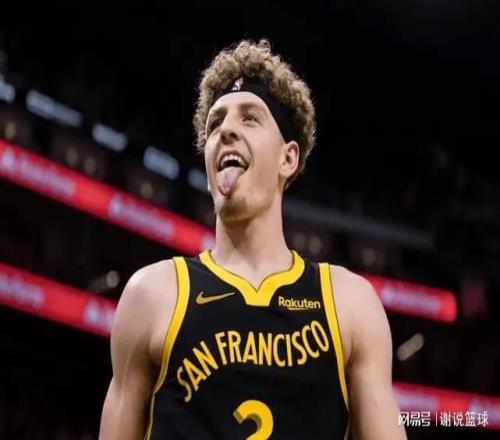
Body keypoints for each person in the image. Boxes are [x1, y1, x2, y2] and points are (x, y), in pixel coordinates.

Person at [99, 39, 407, 440]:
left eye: (249, 118)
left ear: (288, 158)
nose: (226, 130)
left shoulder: (349, 304)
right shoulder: (152, 295)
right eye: (215, 124)